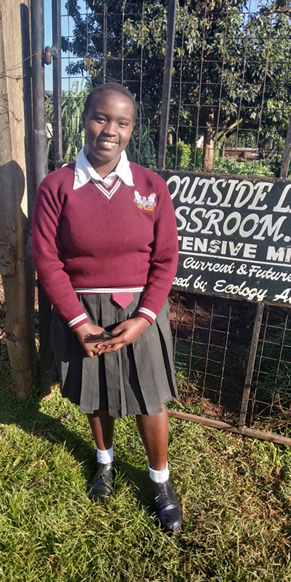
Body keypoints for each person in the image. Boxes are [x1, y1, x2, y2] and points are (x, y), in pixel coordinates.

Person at [32, 82, 183, 532]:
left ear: (132, 128)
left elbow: (165, 258)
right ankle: (105, 463)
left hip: (141, 311)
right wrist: (78, 323)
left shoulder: (151, 187)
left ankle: (160, 482)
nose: (110, 130)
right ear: (85, 119)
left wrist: (144, 318)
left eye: (122, 122)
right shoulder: (57, 186)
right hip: (83, 312)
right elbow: (47, 259)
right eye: (101, 118)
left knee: (150, 398)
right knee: (95, 395)